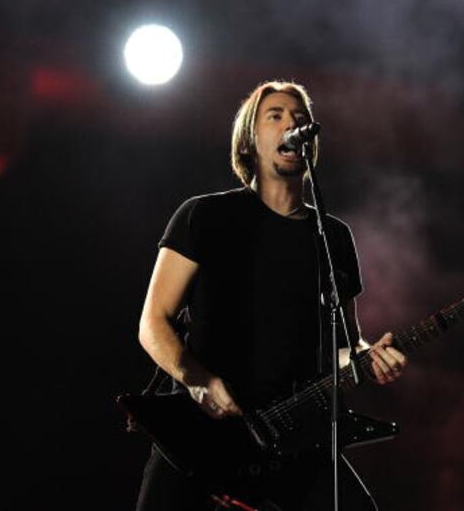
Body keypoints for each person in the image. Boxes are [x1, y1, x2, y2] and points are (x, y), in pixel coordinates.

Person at [134, 80, 407, 510]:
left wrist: (368, 356)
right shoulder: (204, 215)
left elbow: (343, 344)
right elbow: (153, 322)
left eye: (299, 118)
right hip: (202, 437)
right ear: (249, 141)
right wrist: (199, 381)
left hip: (293, 434)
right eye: (275, 116)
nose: (290, 125)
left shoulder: (332, 236)